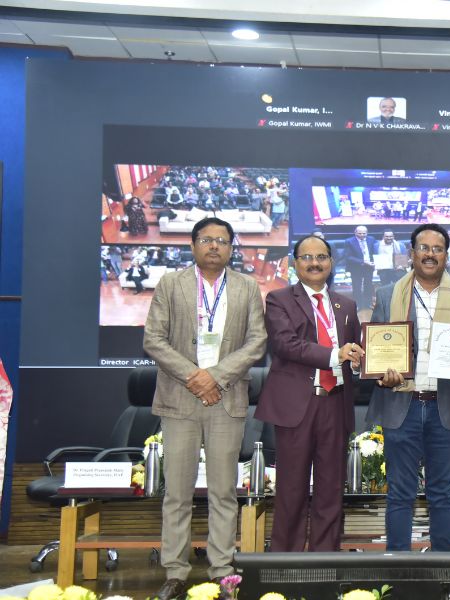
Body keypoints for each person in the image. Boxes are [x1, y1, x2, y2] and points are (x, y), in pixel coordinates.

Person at [141, 218, 267, 600]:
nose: (214, 246)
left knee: (223, 492)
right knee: (177, 493)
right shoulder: (170, 283)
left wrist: (215, 377)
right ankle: (175, 572)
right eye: (207, 240)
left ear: (231, 247)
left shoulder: (247, 286)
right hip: (179, 400)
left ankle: (223, 572)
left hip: (225, 400)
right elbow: (154, 339)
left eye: (222, 241)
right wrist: (194, 377)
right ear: (193, 245)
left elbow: (257, 342)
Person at [369, 224, 450, 552]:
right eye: (424, 248)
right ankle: (399, 566)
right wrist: (382, 373)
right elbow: (378, 349)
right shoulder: (388, 295)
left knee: (442, 494)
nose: (430, 254)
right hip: (402, 405)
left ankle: (444, 568)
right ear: (411, 253)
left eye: (438, 248)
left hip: (447, 406)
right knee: (399, 494)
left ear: (447, 254)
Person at [259, 233, 364, 552]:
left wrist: (359, 361)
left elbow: (354, 351)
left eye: (321, 257)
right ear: (295, 263)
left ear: (331, 263)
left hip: (336, 404)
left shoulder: (346, 305)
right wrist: (335, 354)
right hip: (298, 406)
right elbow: (285, 344)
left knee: (331, 490)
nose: (315, 263)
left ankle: (325, 562)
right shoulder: (279, 299)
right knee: (291, 489)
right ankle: (285, 565)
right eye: (307, 257)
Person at [341, 226, 377, 307]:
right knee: (357, 287)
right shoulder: (349, 241)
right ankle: (358, 305)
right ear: (355, 232)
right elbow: (348, 256)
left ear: (367, 233)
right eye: (359, 233)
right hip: (356, 268)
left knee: (368, 285)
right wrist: (363, 262)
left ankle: (368, 303)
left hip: (369, 268)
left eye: (364, 233)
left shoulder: (371, 239)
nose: (362, 235)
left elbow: (375, 252)